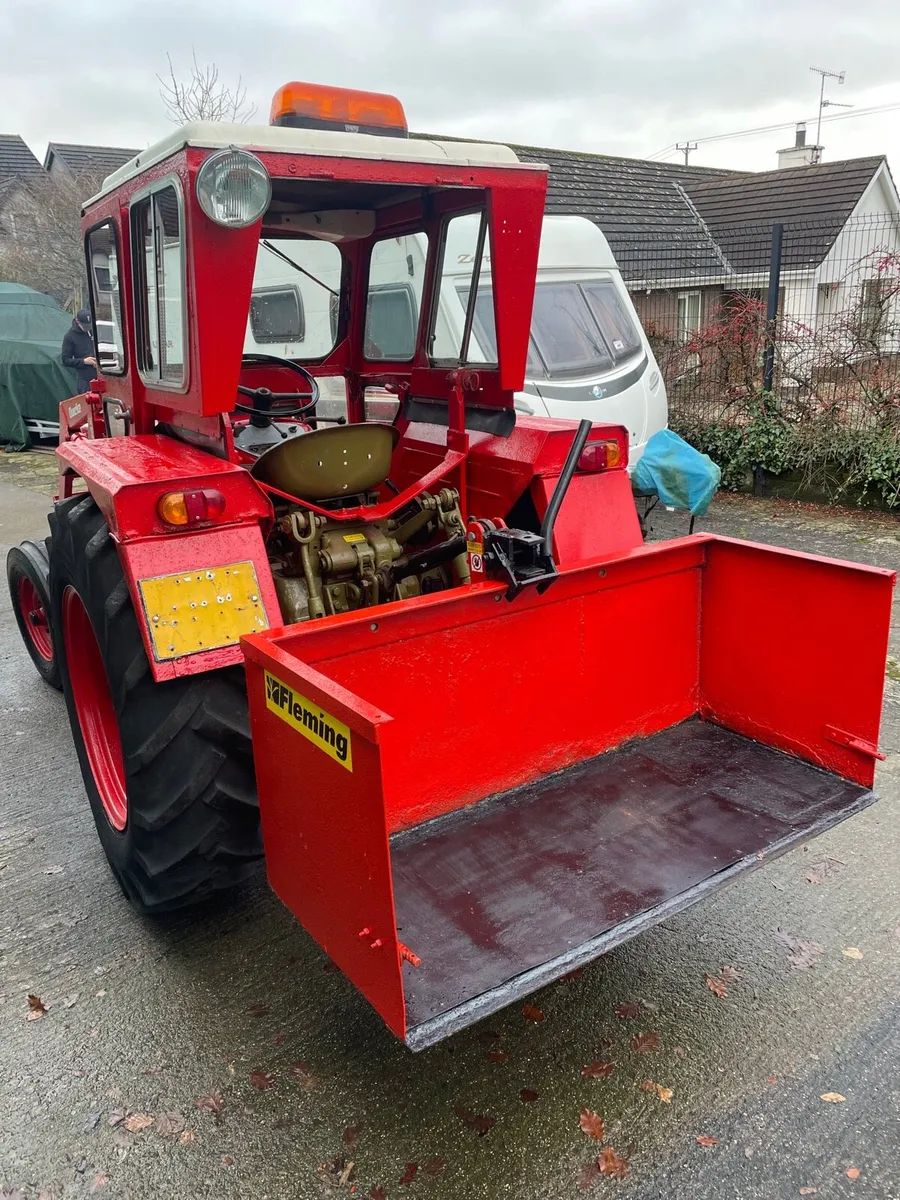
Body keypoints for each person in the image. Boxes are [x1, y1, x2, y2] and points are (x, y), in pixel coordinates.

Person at [61, 309, 98, 394]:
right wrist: (83, 361)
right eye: (85, 326)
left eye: (89, 325)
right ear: (77, 321)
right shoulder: (69, 336)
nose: (87, 328)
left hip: (101, 374)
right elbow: (65, 360)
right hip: (85, 380)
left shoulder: (95, 330)